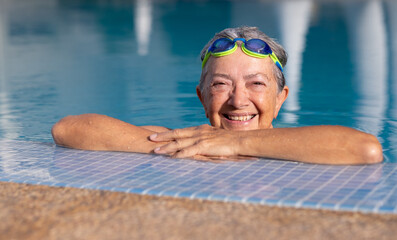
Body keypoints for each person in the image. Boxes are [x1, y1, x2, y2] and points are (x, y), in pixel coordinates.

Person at [51, 26, 383, 165]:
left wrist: (237, 144)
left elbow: (366, 149)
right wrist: (172, 146)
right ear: (201, 97)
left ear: (281, 98)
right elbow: (67, 129)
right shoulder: (188, 142)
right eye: (221, 84)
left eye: (256, 84)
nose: (238, 101)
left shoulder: (308, 146)